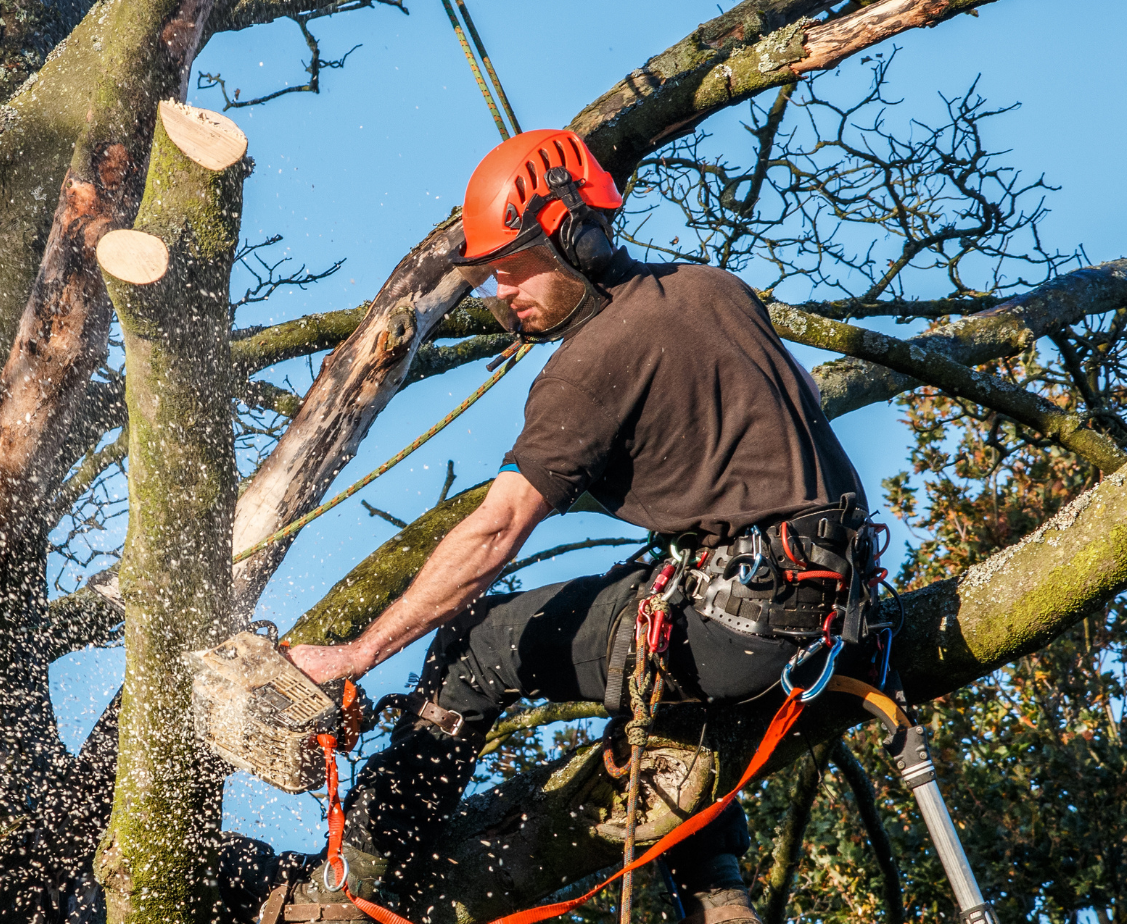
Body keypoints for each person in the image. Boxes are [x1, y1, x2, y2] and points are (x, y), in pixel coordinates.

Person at [276, 129, 874, 924]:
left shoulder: (589, 364)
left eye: (510, 268)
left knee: (477, 645)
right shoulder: (716, 290)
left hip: (743, 623)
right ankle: (718, 889)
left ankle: (354, 886)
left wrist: (356, 655)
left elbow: (495, 533)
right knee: (647, 611)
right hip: (843, 609)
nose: (499, 293)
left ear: (573, 238)